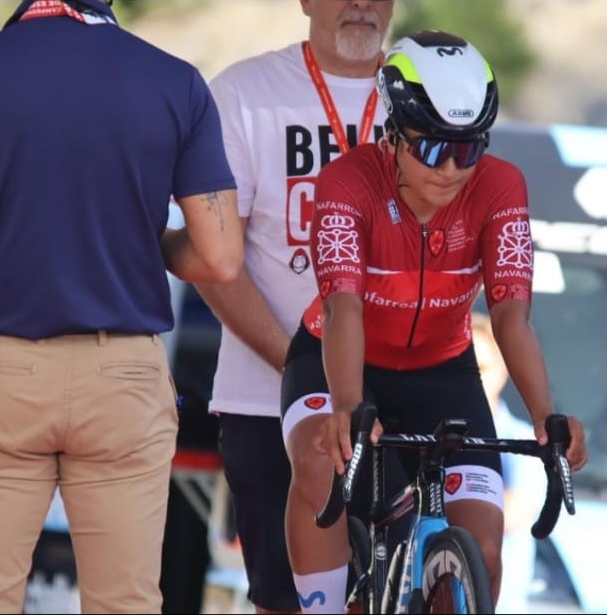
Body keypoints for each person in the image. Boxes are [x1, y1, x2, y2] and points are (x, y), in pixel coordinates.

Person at [0, 0, 244, 612]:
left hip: (3, 371)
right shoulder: (174, 81)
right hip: (122, 376)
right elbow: (221, 258)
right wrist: (145, 238)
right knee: (125, 603)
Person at [280, 30, 588, 614]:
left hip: (443, 371)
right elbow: (344, 304)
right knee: (324, 462)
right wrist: (347, 406)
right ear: (392, 134)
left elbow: (510, 314)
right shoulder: (346, 183)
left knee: (484, 553)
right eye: (430, 149)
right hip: (339, 360)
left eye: (468, 149)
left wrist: (548, 416)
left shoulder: (501, 187)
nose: (451, 169)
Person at [195, 1, 395, 612]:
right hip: (266, 398)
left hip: (398, 399)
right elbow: (212, 259)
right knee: (285, 602)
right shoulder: (244, 93)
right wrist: (305, 372)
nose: (361, 2)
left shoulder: (429, 88)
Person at [471, 310, 545, 614]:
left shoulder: (522, 440)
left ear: (502, 370)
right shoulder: (420, 437)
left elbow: (512, 513)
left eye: (480, 368)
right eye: (462, 371)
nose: (472, 382)